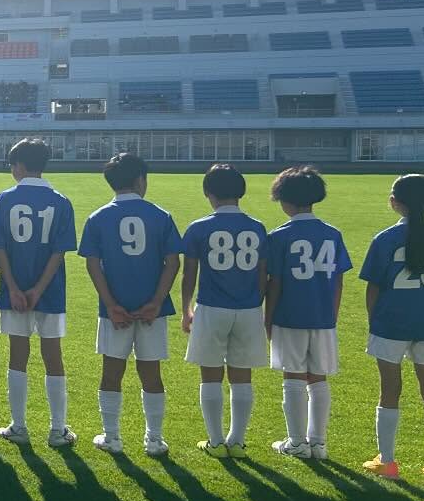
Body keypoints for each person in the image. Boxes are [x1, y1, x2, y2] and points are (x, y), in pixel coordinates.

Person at [79, 153, 182, 457]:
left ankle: (112, 437)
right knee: (151, 373)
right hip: (152, 310)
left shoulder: (98, 217)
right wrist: (156, 301)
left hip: (115, 311)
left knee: (111, 372)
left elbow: (93, 265)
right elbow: (173, 262)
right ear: (140, 180)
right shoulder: (160, 215)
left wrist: (110, 304)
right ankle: (154, 439)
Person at [0, 138, 77, 447]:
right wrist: (39, 290)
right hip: (50, 292)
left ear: (18, 166)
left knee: (18, 356)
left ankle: (19, 426)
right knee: (53, 357)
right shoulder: (61, 201)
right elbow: (59, 252)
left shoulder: (3, 199)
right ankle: (57, 429)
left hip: (14, 293)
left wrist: (14, 287)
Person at [180, 164, 269, 457]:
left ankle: (216, 441)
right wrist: (257, 304)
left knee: (210, 374)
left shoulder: (199, 227)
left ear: (208, 192)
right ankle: (237, 441)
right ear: (240, 191)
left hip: (212, 307)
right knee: (242, 376)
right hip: (248, 308)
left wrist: (185, 309)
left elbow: (189, 273)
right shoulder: (257, 227)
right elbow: (262, 274)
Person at [264, 166, 351, 460]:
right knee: (319, 377)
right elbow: (338, 280)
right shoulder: (332, 234)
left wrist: (268, 319)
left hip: (290, 315)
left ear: (285, 200)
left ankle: (297, 441)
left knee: (293, 377)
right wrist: (332, 315)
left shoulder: (279, 236)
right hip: (323, 316)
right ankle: (319, 442)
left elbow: (274, 284)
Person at [360, 174, 424, 479]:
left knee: (390, 390)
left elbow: (373, 287)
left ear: (395, 203)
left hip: (390, 323)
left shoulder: (385, 238)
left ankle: (387, 462)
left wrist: (373, 322)